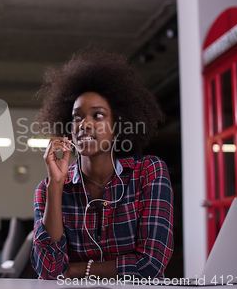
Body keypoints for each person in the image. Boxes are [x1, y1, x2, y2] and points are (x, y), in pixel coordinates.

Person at [31, 49, 173, 280]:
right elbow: (48, 270)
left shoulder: (148, 172)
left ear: (118, 126)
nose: (84, 124)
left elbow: (151, 263)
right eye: (77, 117)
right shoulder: (47, 190)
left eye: (97, 116)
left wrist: (78, 270)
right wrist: (56, 185)